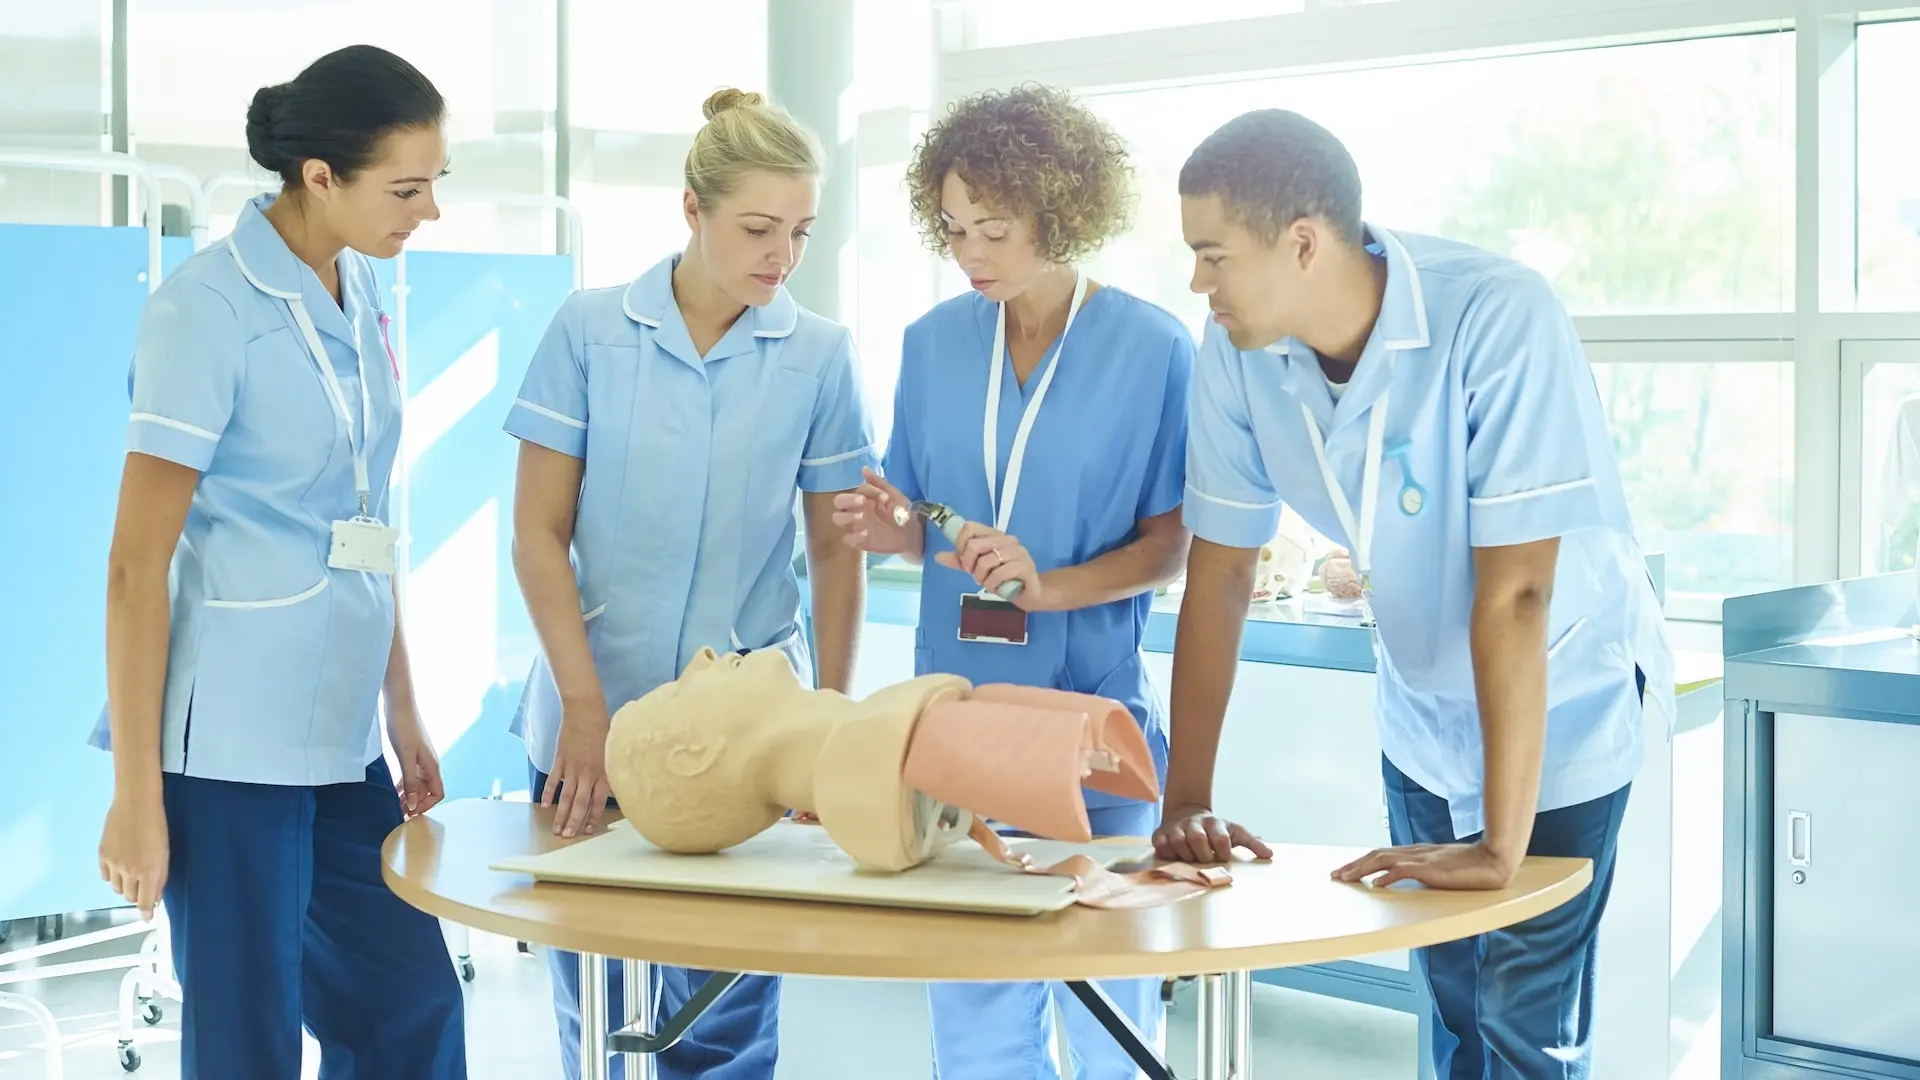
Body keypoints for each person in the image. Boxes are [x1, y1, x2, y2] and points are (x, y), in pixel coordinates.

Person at [1155, 108, 1675, 1079]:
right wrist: (1186, 799)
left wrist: (1501, 847)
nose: (1198, 282)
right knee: (1448, 1007)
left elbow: (1518, 590)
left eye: (1213, 254)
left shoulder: (1498, 315)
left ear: (1301, 241)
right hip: (1423, 700)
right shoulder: (1236, 348)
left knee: (1524, 1022)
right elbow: (1221, 570)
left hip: (1558, 692)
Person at [91, 45, 465, 1080]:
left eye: (436, 182)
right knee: (249, 1040)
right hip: (228, 753)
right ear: (318, 178)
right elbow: (135, 567)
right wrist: (135, 794)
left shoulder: (361, 293)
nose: (428, 210)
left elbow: (366, 516)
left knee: (413, 1009)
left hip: (342, 740)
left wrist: (401, 708)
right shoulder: (205, 312)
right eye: (405, 187)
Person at [507, 87, 874, 1080]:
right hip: (592, 722)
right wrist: (583, 707)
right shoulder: (589, 331)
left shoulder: (819, 355)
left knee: (723, 1018)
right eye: (758, 228)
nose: (781, 256)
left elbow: (837, 548)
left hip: (751, 738)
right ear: (691, 209)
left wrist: (831, 725)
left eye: (800, 231)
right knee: (599, 1009)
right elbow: (537, 533)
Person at [835, 83, 1193, 1080]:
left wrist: (1055, 589)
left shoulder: (1154, 347)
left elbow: (1177, 543)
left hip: (1090, 723)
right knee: (978, 1011)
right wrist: (892, 529)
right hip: (957, 723)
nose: (971, 254)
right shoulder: (931, 344)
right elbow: (923, 523)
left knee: (1110, 1007)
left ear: (1062, 209)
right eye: (952, 229)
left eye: (993, 228)